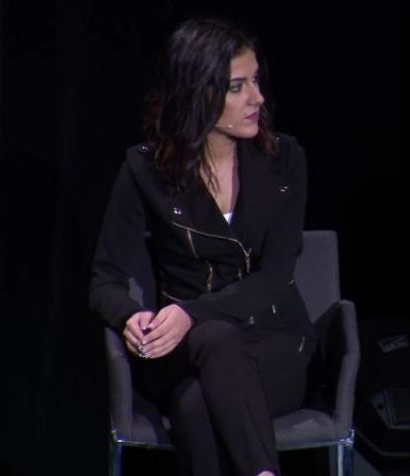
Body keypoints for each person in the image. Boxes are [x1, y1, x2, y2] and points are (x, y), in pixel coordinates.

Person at [89, 18, 314, 476]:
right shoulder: (144, 170)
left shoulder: (286, 159)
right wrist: (130, 316)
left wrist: (195, 312)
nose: (258, 98)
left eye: (256, 81)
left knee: (195, 405)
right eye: (238, 87)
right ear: (199, 94)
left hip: (274, 343)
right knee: (212, 340)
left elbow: (274, 277)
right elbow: (104, 281)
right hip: (183, 349)